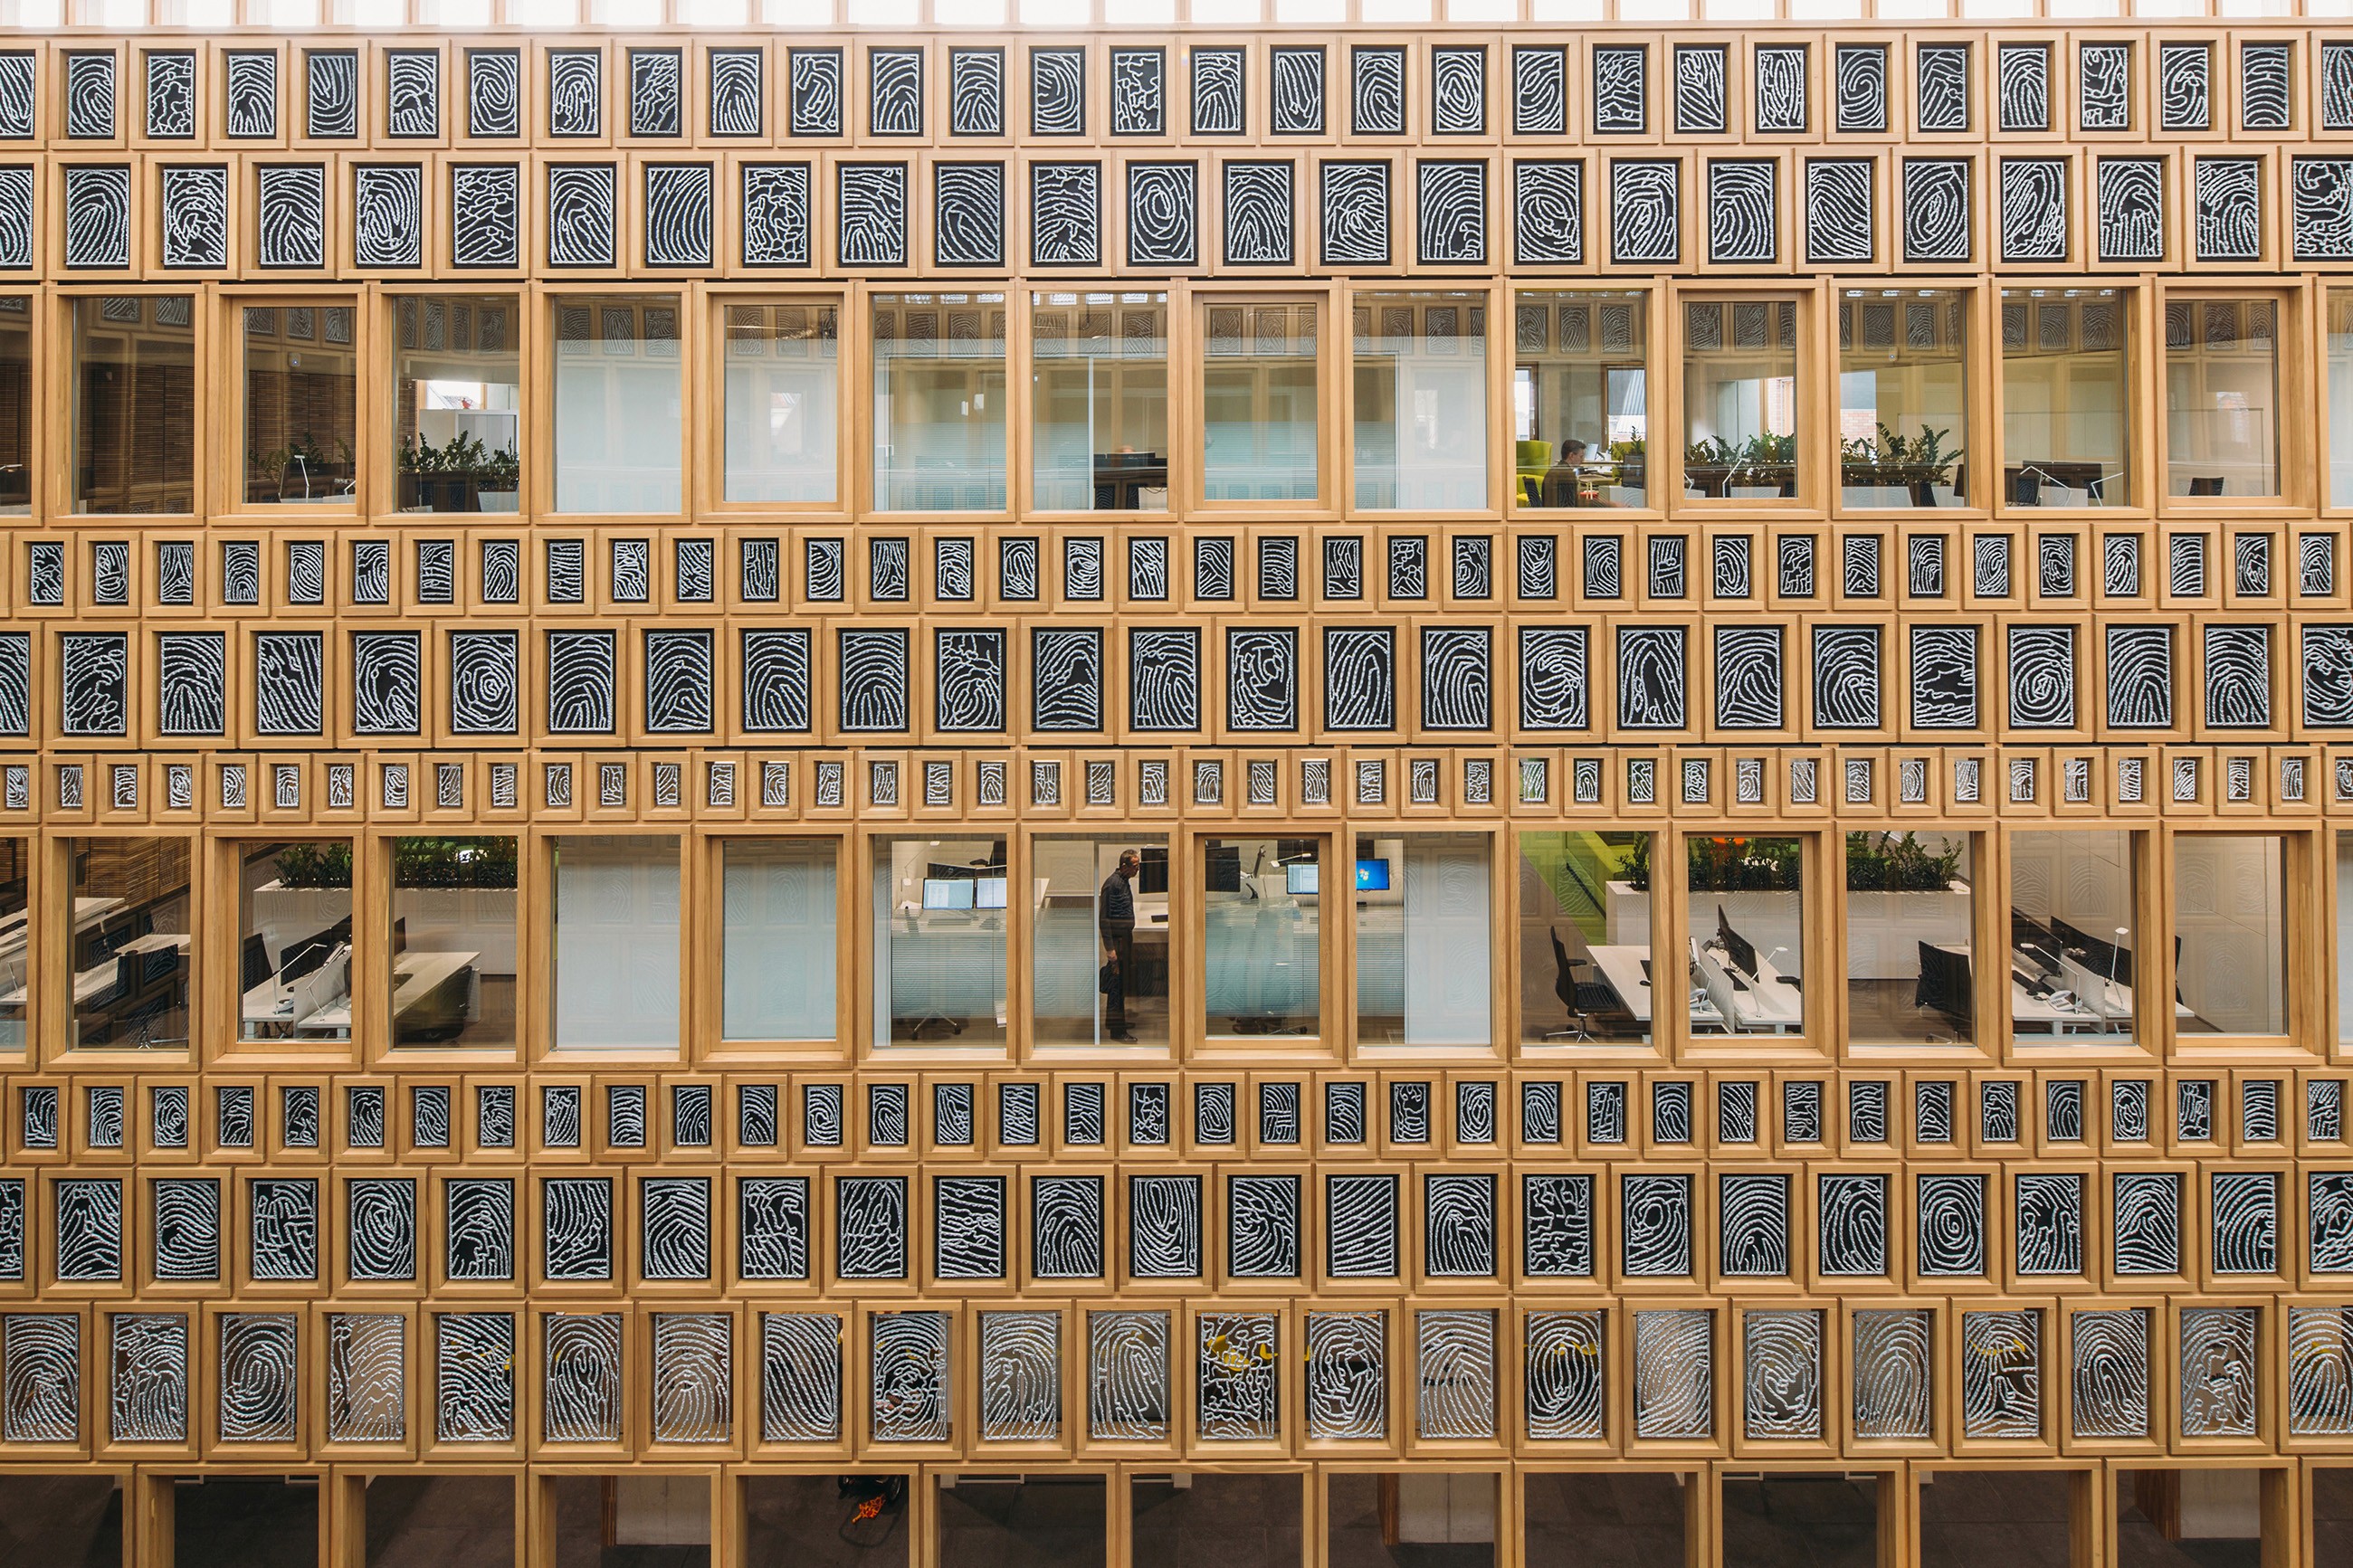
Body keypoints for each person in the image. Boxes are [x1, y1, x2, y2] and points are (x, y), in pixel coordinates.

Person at [1099, 849, 1140, 1043]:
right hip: (1117, 941)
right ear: (1124, 866)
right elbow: (1104, 919)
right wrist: (1110, 949)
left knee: (1121, 985)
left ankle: (1115, 1022)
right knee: (1116, 986)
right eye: (1135, 866)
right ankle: (1117, 1031)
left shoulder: (1122, 881)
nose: (1137, 869)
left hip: (1124, 939)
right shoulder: (1112, 884)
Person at [1539, 438, 1591, 508]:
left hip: (1550, 515)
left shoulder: (1553, 471)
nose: (1583, 460)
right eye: (1581, 456)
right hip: (1561, 516)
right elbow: (1570, 506)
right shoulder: (1567, 475)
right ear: (1571, 455)